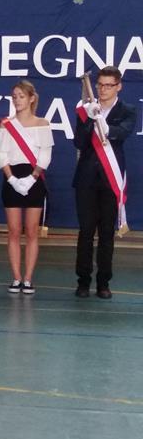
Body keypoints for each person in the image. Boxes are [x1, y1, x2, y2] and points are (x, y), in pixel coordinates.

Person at [73, 66, 135, 299]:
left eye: (109, 85)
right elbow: (79, 142)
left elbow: (122, 133)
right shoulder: (87, 109)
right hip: (86, 179)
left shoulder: (127, 110)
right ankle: (83, 281)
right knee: (86, 231)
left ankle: (103, 282)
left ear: (119, 86)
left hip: (111, 179)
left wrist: (105, 126)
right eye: (100, 84)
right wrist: (88, 120)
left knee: (107, 233)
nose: (103, 89)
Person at [0, 80, 53, 296]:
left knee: (32, 231)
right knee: (14, 230)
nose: (17, 100)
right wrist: (12, 179)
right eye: (14, 97)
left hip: (34, 179)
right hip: (12, 179)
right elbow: (1, 155)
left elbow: (45, 155)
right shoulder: (5, 125)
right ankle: (16, 277)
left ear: (31, 98)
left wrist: (32, 177)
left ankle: (28, 279)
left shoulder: (43, 123)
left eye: (21, 96)